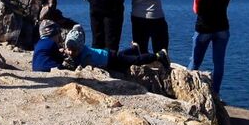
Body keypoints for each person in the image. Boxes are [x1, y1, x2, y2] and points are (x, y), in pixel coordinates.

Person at [33, 19, 164, 75]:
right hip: (107, 55)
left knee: (133, 61)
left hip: (109, 59)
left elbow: (84, 64)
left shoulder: (85, 54)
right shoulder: (73, 50)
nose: (70, 52)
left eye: (73, 50)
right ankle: (134, 49)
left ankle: (158, 55)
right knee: (123, 57)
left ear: (79, 47)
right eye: (69, 50)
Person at [191, 0, 230, 96]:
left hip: (204, 28)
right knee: (218, 63)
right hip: (222, 28)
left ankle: (189, 91)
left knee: (195, 62)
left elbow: (196, 10)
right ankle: (215, 94)